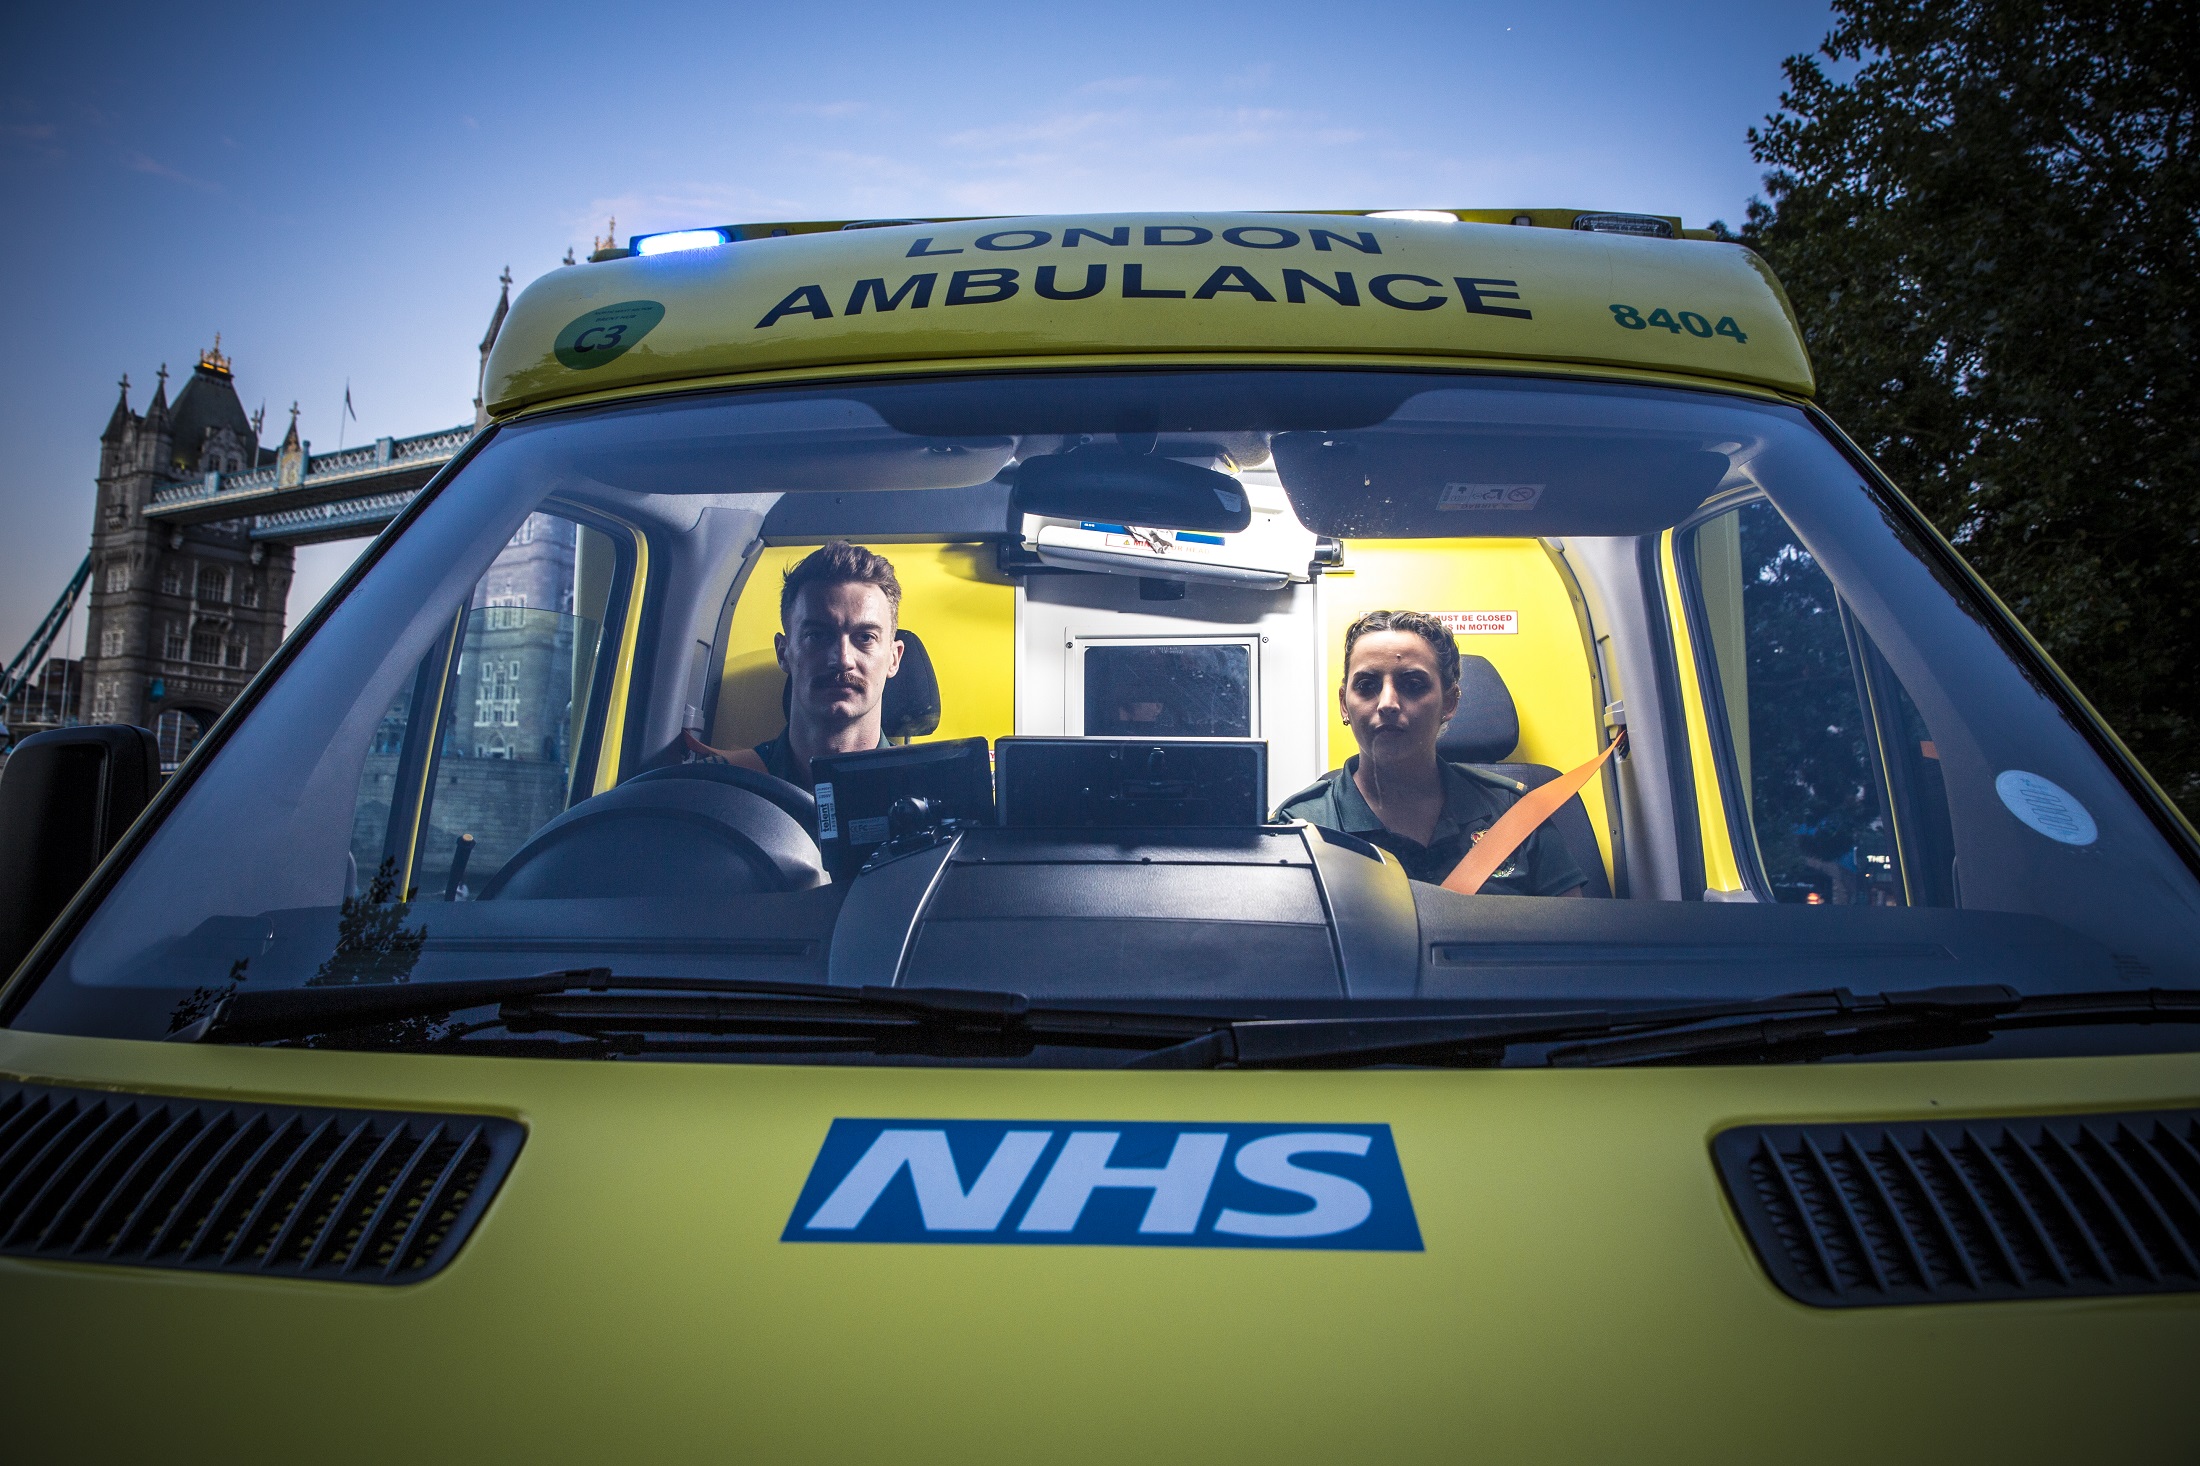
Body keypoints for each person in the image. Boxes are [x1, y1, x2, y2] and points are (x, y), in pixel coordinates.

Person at [1277, 609, 1587, 895]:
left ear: (1449, 703)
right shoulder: (1302, 825)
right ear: (1344, 704)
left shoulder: (1514, 813)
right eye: (1367, 685)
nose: (1387, 703)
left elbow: (1572, 932)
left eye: (1413, 684)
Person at [690, 541, 903, 787]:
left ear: (894, 658)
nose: (842, 660)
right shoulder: (717, 788)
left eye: (865, 637)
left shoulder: (929, 790)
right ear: (783, 653)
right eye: (817, 636)